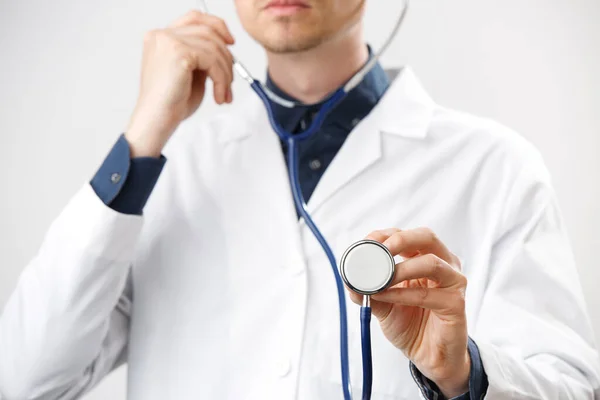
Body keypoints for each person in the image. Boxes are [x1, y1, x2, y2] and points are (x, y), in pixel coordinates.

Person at [1, 1, 599, 399]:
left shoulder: (494, 168)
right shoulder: (163, 165)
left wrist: (463, 372)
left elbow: (570, 386)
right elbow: (23, 379)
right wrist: (139, 140)